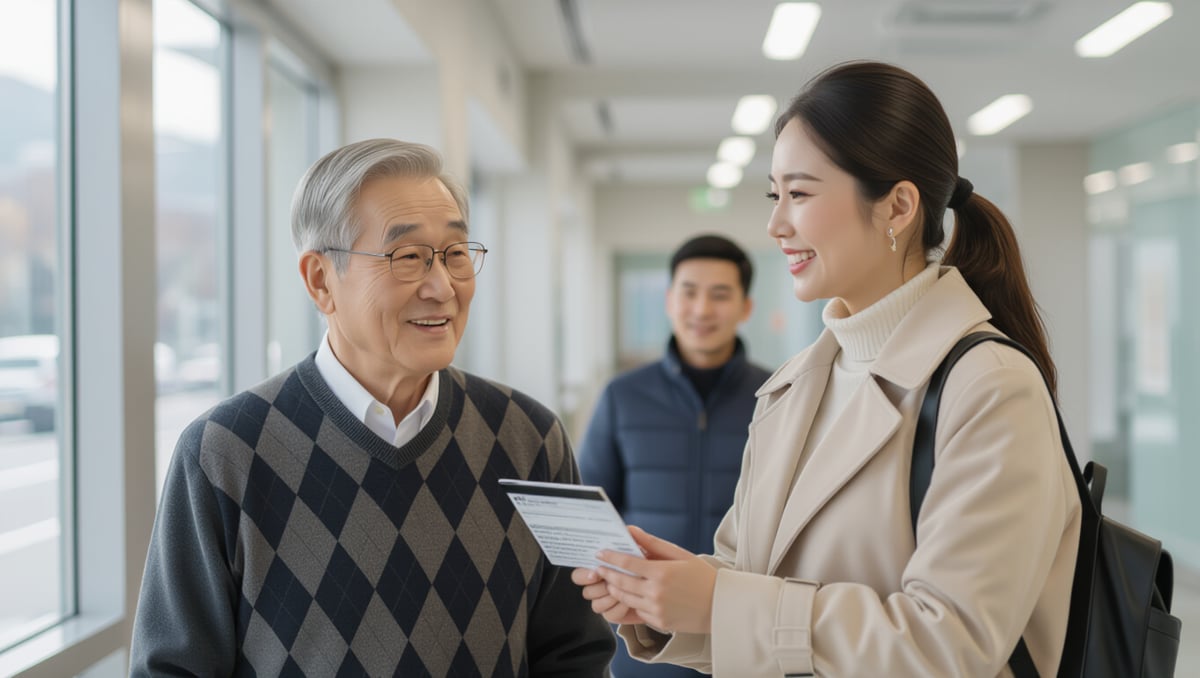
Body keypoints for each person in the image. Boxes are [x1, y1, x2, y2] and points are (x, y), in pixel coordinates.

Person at [572, 60, 1083, 677]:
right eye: (774, 194)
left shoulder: (991, 387)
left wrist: (718, 601)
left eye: (800, 193)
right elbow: (749, 586)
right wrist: (665, 596)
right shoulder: (793, 386)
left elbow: (953, 647)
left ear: (897, 207)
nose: (776, 223)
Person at [131, 139, 615, 676]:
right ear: (320, 280)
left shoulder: (528, 438)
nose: (442, 286)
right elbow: (171, 668)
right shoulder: (226, 452)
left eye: (456, 254)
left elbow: (577, 653)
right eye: (408, 258)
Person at [578, 234, 772, 678]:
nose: (702, 310)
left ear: (745, 308)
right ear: (669, 300)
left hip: (743, 635)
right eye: (689, 292)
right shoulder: (622, 396)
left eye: (720, 295)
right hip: (643, 639)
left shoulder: (777, 398)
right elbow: (592, 509)